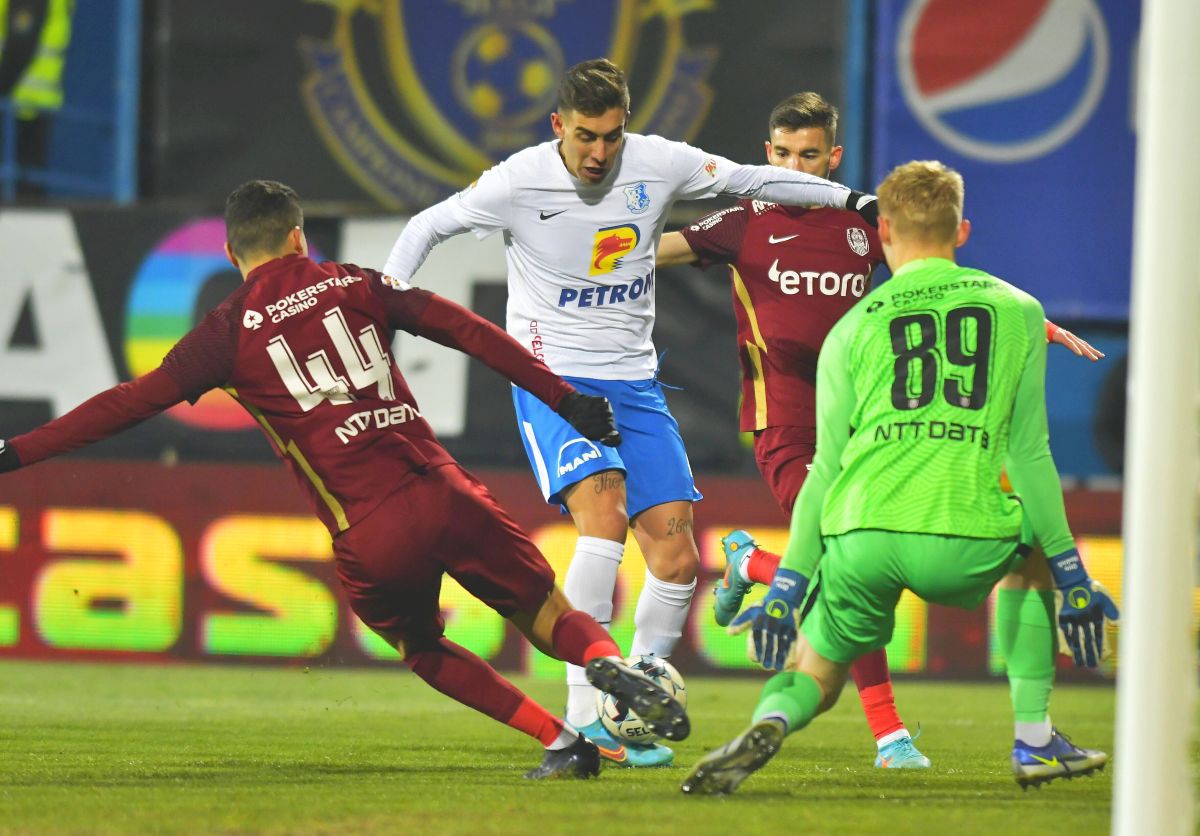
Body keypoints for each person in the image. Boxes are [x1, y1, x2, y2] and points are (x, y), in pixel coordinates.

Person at [0, 179, 691, 781]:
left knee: (423, 647)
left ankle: (561, 741)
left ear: (232, 255)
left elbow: (126, 402)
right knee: (547, 616)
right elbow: (469, 331)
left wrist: (18, 451)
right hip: (444, 488)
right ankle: (606, 662)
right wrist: (563, 397)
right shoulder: (357, 282)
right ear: (299, 237)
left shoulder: (227, 330)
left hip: (371, 528)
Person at [381, 59, 880, 768]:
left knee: (677, 557)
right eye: (586, 136)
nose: (599, 153)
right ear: (559, 125)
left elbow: (754, 178)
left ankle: (635, 701)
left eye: (612, 137)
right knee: (605, 514)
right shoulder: (517, 180)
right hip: (552, 377)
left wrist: (854, 201)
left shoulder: (658, 162)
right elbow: (428, 226)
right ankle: (587, 717)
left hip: (635, 383)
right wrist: (385, 301)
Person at [657, 92, 1103, 769]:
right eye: (781, 155)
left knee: (842, 571)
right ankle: (910, 733)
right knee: (842, 565)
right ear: (765, 153)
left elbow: (931, 288)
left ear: (832, 157)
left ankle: (768, 594)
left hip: (859, 423)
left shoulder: (864, 225)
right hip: (785, 423)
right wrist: (584, 250)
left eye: (808, 155)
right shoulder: (744, 220)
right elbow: (650, 253)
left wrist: (1032, 322)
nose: (794, 168)